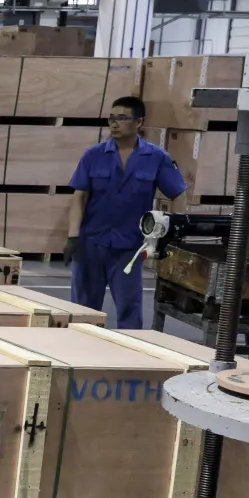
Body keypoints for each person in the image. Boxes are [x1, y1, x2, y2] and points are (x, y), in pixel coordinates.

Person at [66, 96, 185, 329]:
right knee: (83, 310)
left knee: (130, 309)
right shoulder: (93, 155)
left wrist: (170, 236)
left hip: (129, 246)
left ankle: (129, 357)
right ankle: (79, 353)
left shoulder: (156, 157)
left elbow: (178, 195)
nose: (114, 123)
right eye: (111, 118)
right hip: (92, 243)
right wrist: (72, 236)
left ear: (139, 122)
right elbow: (79, 197)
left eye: (121, 118)